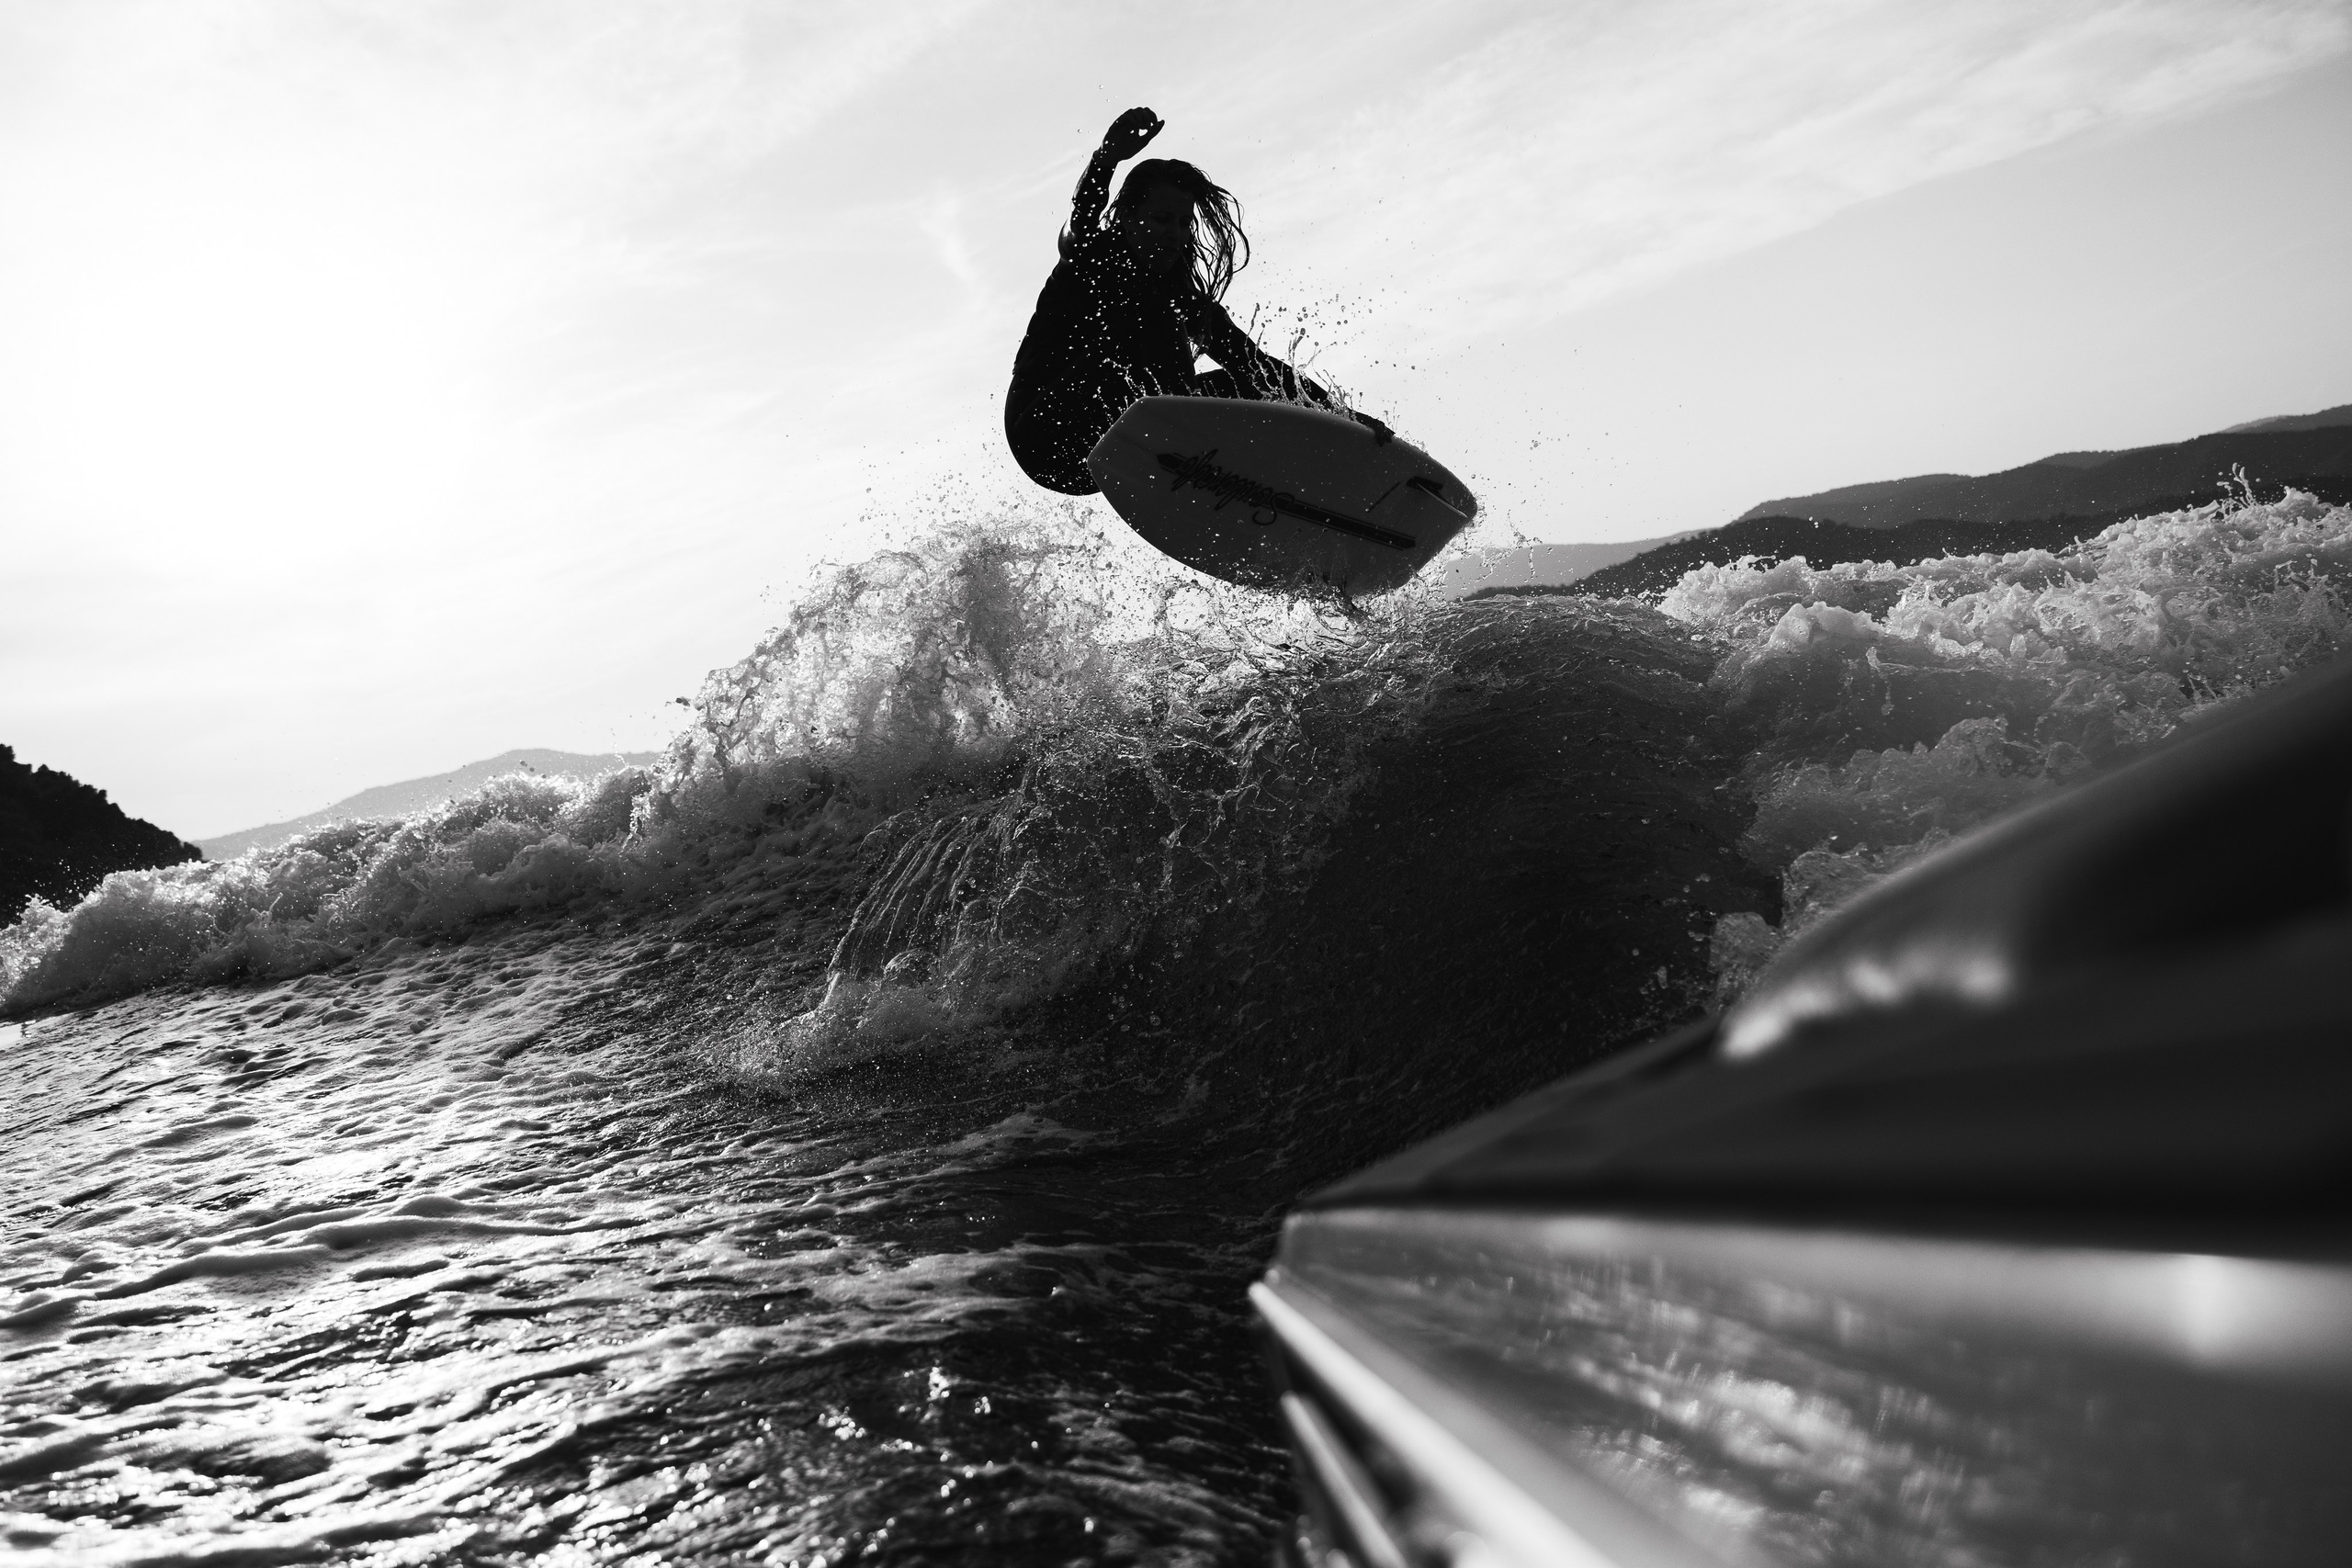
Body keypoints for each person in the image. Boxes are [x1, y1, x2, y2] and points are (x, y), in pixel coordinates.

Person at [1004, 107, 1388, 495]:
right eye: (1160, 218)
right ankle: (1202, 464)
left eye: (1183, 223)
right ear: (1125, 218)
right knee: (1154, 318)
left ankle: (1285, 484)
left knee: (1252, 385)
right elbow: (1080, 224)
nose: (1174, 233)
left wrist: (1342, 417)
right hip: (1047, 430)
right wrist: (1105, 159)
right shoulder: (1094, 257)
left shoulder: (1179, 296)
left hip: (1122, 448)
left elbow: (1251, 363)